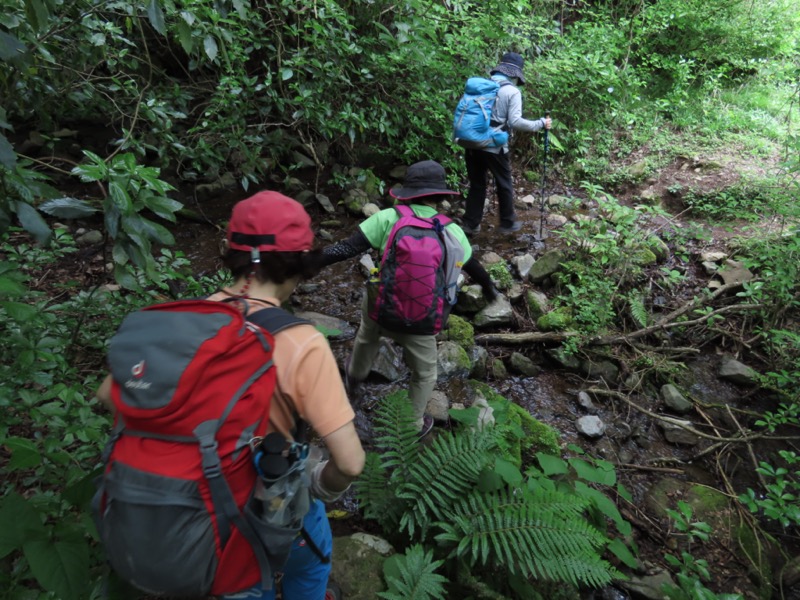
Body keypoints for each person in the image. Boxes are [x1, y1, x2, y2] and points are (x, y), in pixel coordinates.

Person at [95, 191, 365, 600]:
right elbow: (350, 462)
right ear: (301, 263)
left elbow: (107, 395)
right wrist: (316, 484)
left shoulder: (184, 323)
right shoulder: (301, 342)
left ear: (231, 253)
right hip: (251, 511)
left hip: (173, 504)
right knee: (314, 554)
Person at [321, 160, 498, 436]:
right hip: (421, 319)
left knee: (367, 337)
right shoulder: (452, 231)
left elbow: (344, 249)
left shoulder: (388, 218)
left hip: (382, 311)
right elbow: (473, 267)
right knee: (426, 374)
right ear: (440, 197)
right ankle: (412, 425)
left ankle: (354, 382)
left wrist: (308, 263)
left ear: (407, 193)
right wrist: (490, 289)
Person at [461, 51, 552, 236]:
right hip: (494, 145)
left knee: (477, 184)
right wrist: (540, 124)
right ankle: (507, 223)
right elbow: (515, 122)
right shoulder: (512, 91)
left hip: (471, 142)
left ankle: (470, 224)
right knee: (504, 183)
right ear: (515, 74)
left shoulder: (481, 86)